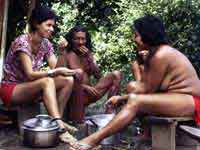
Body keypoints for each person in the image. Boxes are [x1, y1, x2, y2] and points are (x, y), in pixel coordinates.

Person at [69, 14, 200, 149]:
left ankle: (92, 140)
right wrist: (123, 97)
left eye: (136, 35)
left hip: (192, 102)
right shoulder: (155, 54)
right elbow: (148, 90)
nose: (134, 39)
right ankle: (145, 136)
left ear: (147, 35)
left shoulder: (161, 55)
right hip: (175, 98)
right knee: (134, 96)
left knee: (135, 99)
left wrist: (123, 96)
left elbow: (145, 90)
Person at [0, 6, 78, 143]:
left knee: (67, 80)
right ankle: (60, 127)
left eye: (53, 26)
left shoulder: (45, 44)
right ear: (36, 23)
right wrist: (52, 73)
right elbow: (30, 74)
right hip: (12, 89)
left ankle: (56, 120)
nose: (52, 29)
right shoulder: (22, 42)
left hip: (29, 87)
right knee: (46, 81)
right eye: (48, 25)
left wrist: (61, 53)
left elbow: (57, 69)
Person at [57, 26, 122, 123]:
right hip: (74, 95)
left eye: (83, 39)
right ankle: (76, 119)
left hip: (90, 93)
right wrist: (84, 87)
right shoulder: (66, 53)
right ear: (71, 40)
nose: (80, 42)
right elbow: (58, 76)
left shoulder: (87, 53)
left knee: (116, 74)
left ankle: (109, 114)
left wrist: (89, 58)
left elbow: (98, 76)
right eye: (76, 39)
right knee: (78, 75)